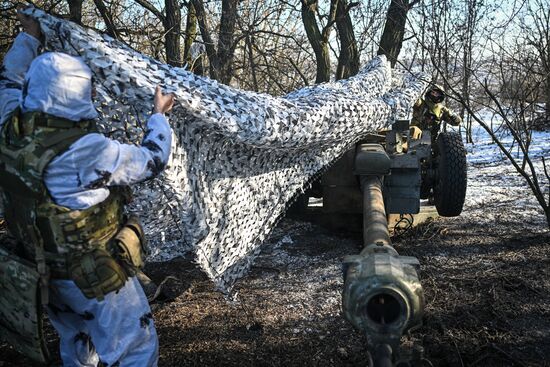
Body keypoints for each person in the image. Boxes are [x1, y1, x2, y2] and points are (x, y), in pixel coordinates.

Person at [0, 9, 175, 367]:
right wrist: (160, 115)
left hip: (43, 271)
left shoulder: (9, 125)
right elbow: (153, 159)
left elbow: (8, 80)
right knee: (134, 348)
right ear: (77, 95)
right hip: (96, 278)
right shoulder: (83, 150)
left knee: (78, 343)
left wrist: (29, 38)